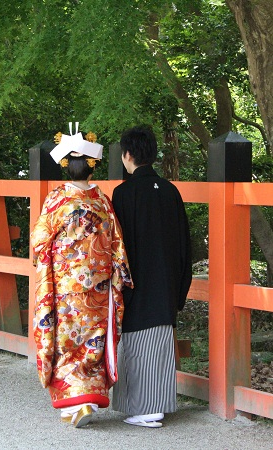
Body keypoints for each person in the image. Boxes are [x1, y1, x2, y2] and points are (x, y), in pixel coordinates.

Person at [31, 124, 133, 428]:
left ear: (66, 168)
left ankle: (74, 404)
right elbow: (117, 245)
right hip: (98, 287)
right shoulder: (102, 201)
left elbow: (39, 242)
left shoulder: (56, 201)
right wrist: (117, 276)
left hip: (64, 286)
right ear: (92, 167)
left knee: (66, 341)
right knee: (93, 341)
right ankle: (86, 400)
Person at [111, 125, 192, 428]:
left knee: (136, 346)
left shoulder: (122, 193)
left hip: (136, 284)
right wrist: (180, 287)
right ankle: (156, 404)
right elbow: (185, 243)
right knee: (157, 345)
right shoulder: (170, 191)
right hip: (166, 283)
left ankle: (145, 409)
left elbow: (115, 246)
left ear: (128, 154)